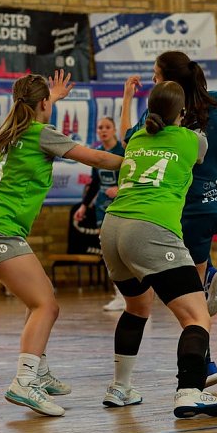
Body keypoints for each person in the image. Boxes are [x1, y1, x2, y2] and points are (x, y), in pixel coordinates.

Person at [0, 71, 123, 417]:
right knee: (46, 306)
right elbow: (97, 159)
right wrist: (138, 163)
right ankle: (24, 381)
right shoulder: (41, 133)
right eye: (48, 99)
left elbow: (34, 115)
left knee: (41, 295)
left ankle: (39, 371)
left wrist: (52, 98)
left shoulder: (13, 130)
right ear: (42, 104)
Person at [119, 51, 217, 383]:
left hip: (195, 212)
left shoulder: (163, 115)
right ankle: (210, 272)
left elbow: (126, 141)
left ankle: (206, 365)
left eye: (156, 75)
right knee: (195, 261)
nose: (153, 80)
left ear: (168, 83)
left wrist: (127, 100)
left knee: (192, 300)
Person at [99, 81, 217, 419]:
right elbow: (204, 149)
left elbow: (131, 130)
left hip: (112, 229)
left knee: (136, 307)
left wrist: (128, 98)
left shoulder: (136, 138)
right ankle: (189, 391)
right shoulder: (192, 140)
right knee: (197, 316)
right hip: (151, 228)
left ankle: (120, 387)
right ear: (182, 112)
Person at [73, 116, 126, 311]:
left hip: (122, 207)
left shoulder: (123, 152)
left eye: (107, 127)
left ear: (114, 130)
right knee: (108, 252)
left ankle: (137, 293)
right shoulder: (97, 154)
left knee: (125, 250)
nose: (103, 130)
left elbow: (134, 177)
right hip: (102, 209)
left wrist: (120, 189)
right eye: (100, 127)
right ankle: (119, 294)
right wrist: (84, 206)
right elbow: (95, 183)